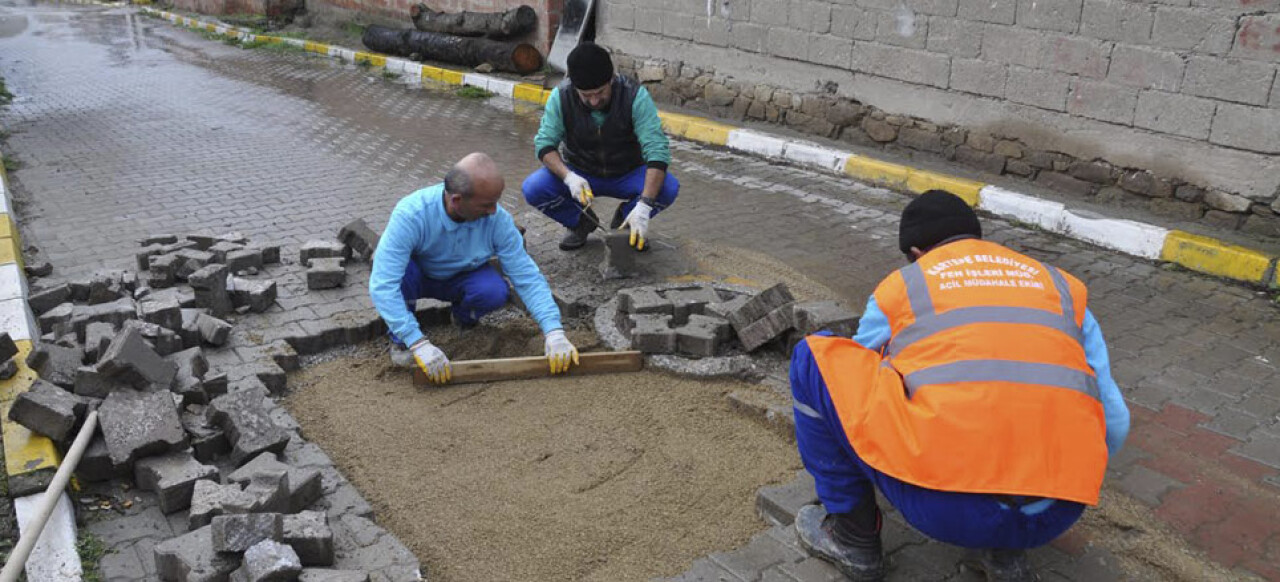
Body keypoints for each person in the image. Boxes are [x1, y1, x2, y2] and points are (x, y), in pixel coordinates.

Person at [789, 190, 1130, 581]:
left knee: (814, 359)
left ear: (917, 252)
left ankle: (853, 535)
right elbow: (1115, 423)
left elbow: (855, 389)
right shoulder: (1062, 287)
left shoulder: (904, 286)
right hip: (1057, 510)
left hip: (945, 510)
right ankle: (1005, 555)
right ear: (976, 237)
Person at [370, 152, 579, 384]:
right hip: (418, 277)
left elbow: (526, 275)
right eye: (486, 205)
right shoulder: (412, 214)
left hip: (462, 277)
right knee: (398, 274)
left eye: (496, 202)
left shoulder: (498, 220)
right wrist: (417, 342)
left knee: (493, 291)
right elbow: (383, 285)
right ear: (457, 201)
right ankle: (401, 340)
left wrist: (554, 331)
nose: (493, 211)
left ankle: (462, 319)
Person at [521, 42, 678, 252]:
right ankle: (580, 223)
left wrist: (645, 205)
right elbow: (544, 145)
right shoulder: (561, 97)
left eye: (600, 92)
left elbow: (657, 150)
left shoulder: (634, 96)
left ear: (611, 79)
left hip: (627, 172)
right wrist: (569, 177)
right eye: (586, 95)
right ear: (574, 87)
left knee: (667, 188)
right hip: (581, 172)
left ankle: (626, 222)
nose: (594, 101)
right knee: (534, 187)